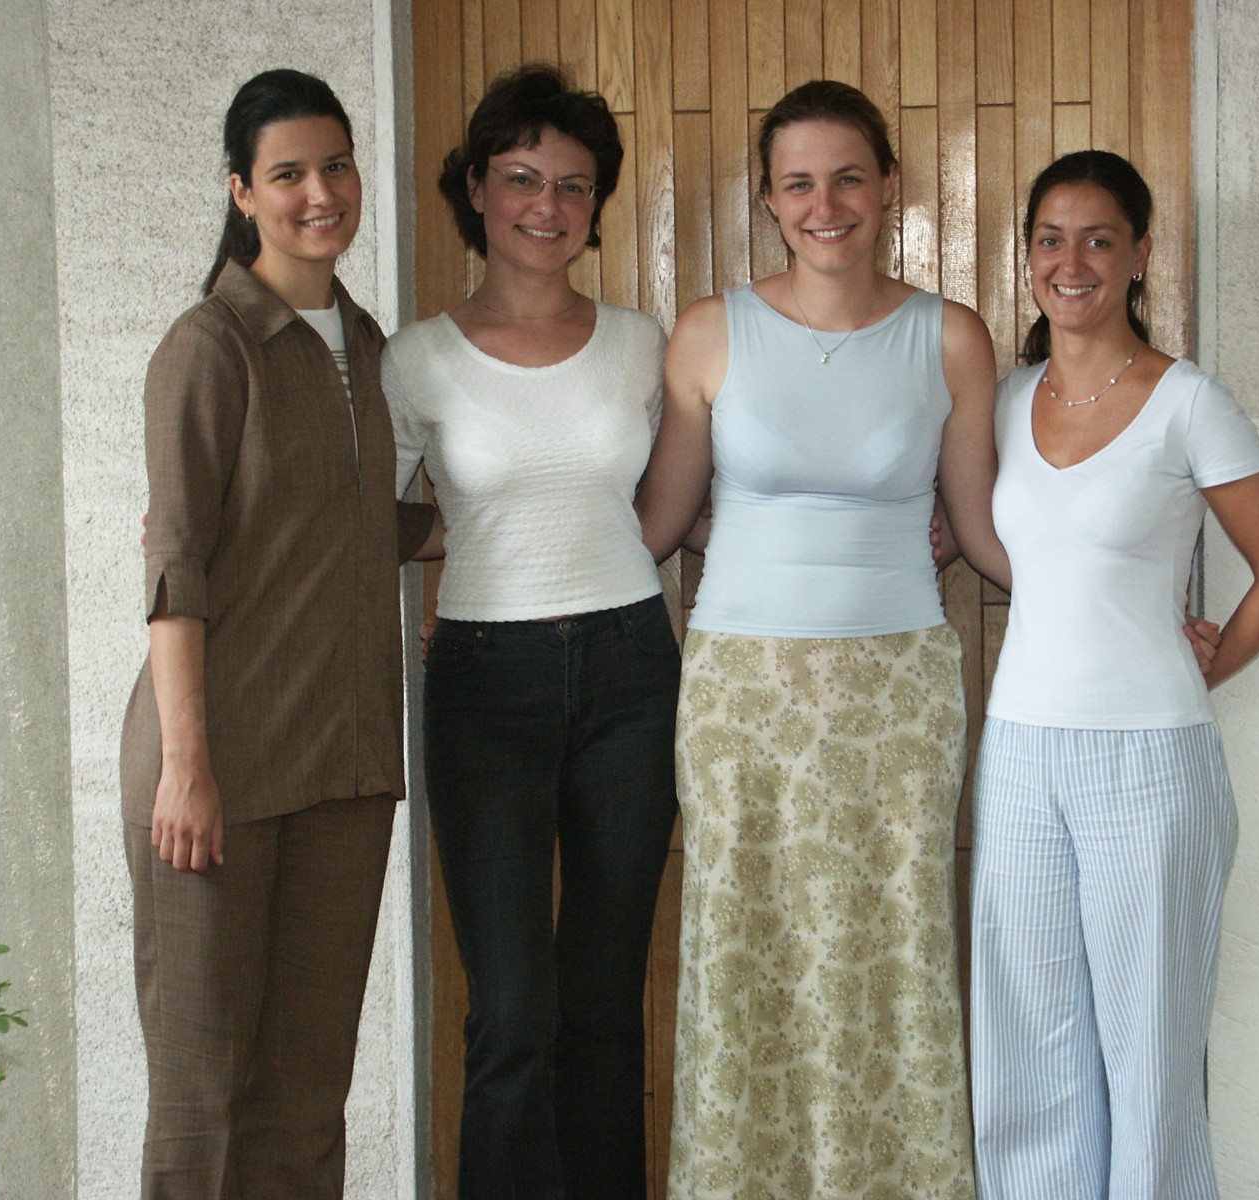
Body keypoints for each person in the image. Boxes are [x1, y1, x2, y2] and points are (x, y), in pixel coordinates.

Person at [634, 79, 1006, 1199]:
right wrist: (481, 588)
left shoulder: (949, 336)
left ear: (888, 185)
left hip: (898, 691)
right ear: (767, 198)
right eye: (798, 183)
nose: (824, 204)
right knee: (742, 948)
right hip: (739, 692)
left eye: (848, 177)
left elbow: (984, 531)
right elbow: (657, 523)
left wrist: (1127, 608)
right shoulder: (710, 332)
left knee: (892, 948)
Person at [969, 149, 1259, 1199]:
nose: (1070, 262)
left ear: (1139, 256)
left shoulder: (1187, 401)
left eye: (1097, 239)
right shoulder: (1004, 400)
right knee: (1027, 1055)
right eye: (1049, 239)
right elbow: (1020, 552)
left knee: (1150, 1053)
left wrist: (1205, 664)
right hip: (1019, 752)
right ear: (1028, 255)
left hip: (1151, 761)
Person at [120, 69, 437, 1200]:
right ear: (242, 192)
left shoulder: (372, 346)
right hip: (217, 766)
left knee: (306, 1101)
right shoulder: (212, 344)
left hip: (347, 768)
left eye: (336, 166)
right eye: (289, 173)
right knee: (204, 1101)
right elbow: (177, 569)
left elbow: (369, 527)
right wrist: (187, 766)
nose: (321, 193)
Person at [384, 65, 680, 1200]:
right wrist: (460, 559)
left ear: (595, 205)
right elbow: (378, 519)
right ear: (475, 188)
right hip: (483, 684)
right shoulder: (415, 358)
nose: (546, 206)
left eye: (573, 185)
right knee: (510, 1012)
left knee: (602, 1003)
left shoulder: (641, 344)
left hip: (630, 672)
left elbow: (677, 499)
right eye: (520, 178)